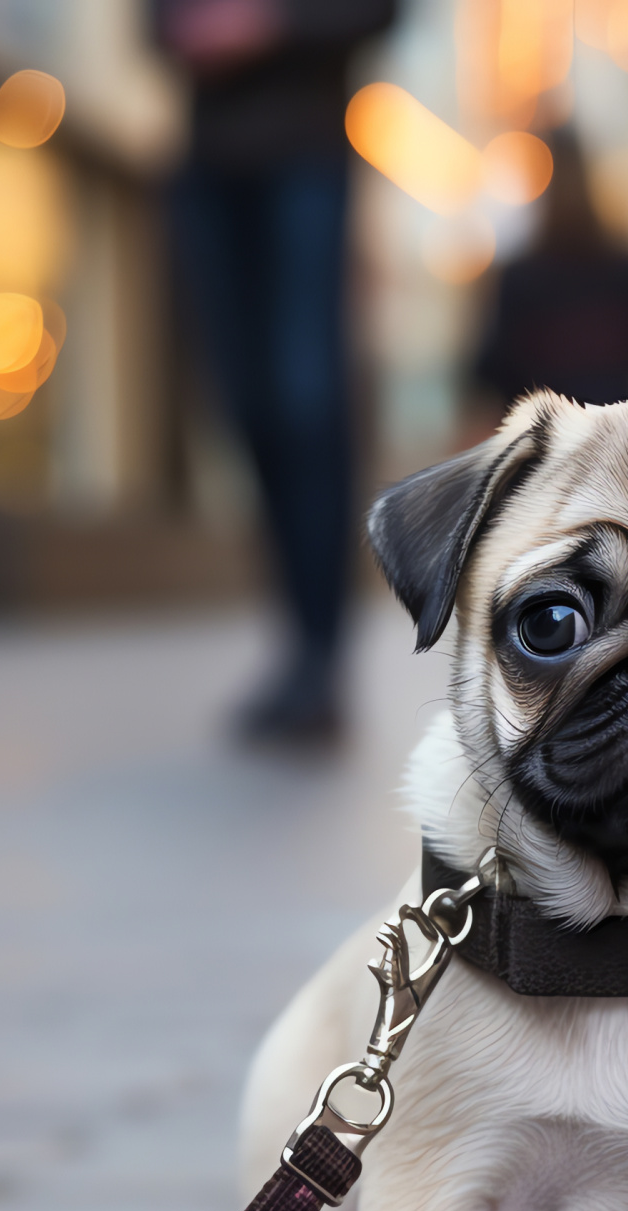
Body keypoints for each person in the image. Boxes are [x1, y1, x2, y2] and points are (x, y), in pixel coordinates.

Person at [153, 0, 397, 744]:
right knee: (247, 405)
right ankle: (296, 644)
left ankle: (321, 655)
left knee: (307, 399)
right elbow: (151, 26)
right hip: (206, 162)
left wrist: (268, 28)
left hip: (305, 154)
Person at [474, 126, 628, 410]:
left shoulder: (521, 278)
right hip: (613, 434)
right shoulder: (622, 269)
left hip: (547, 441)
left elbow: (490, 369)